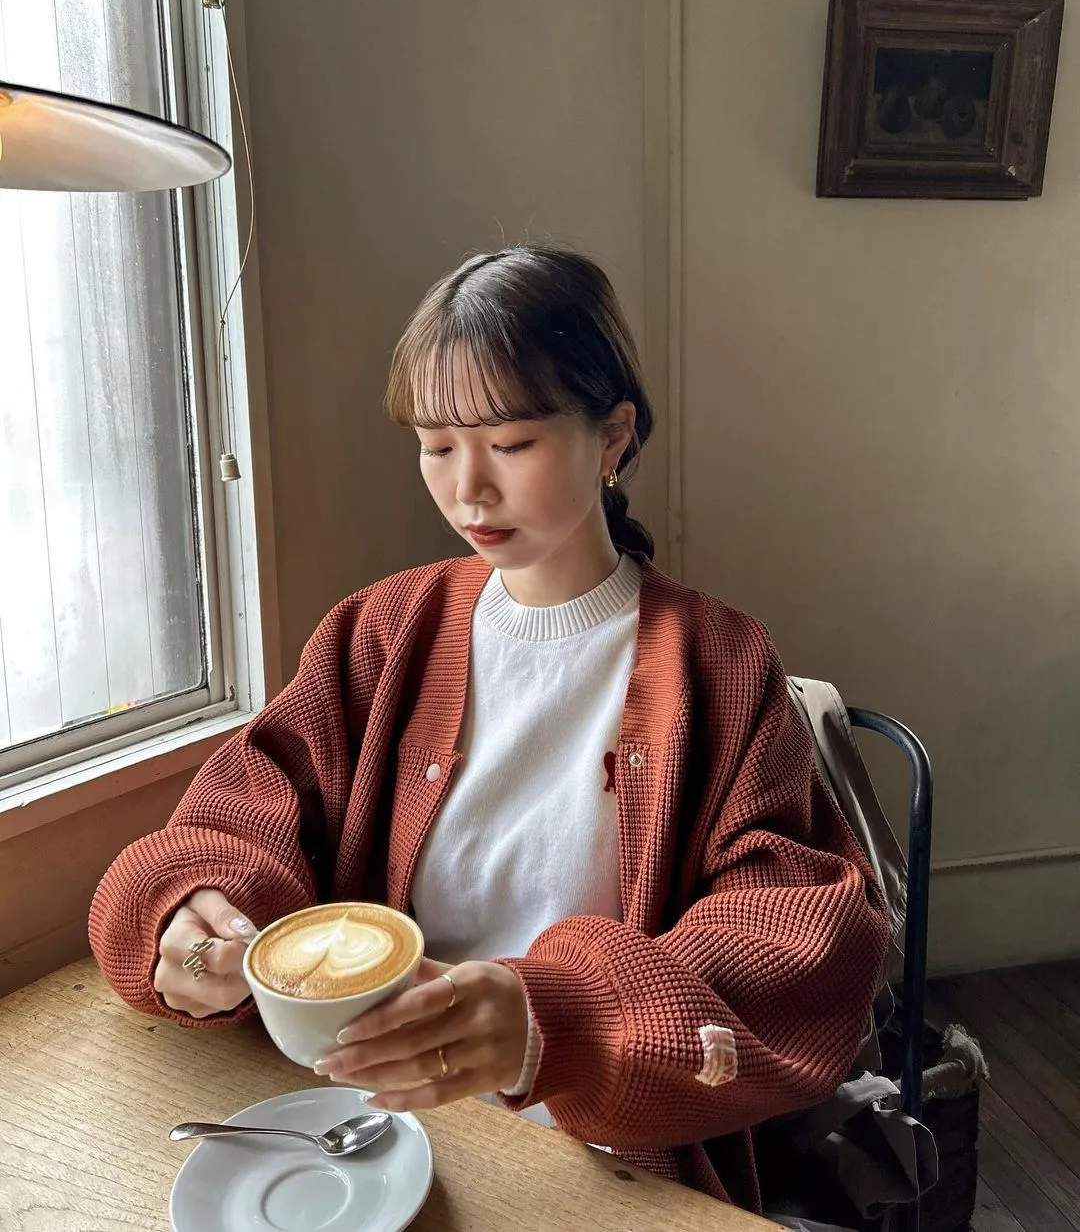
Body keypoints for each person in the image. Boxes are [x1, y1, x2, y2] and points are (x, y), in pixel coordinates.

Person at [89, 245, 888, 1211]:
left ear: (613, 436)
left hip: (597, 1149)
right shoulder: (381, 631)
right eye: (436, 445)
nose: (468, 489)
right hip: (370, 1128)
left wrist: (554, 1021)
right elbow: (247, 806)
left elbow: (798, 930)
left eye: (510, 444)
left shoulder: (717, 664)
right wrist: (191, 908)